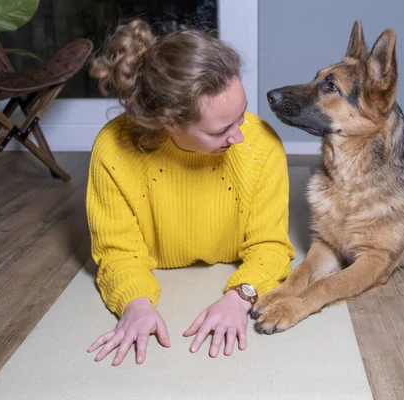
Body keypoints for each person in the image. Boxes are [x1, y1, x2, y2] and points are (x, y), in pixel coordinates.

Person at [85, 19, 294, 366]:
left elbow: (270, 246)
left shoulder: (262, 145)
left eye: (241, 114)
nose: (240, 135)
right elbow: (118, 252)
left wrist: (241, 297)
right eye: (221, 130)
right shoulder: (113, 151)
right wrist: (135, 303)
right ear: (170, 123)